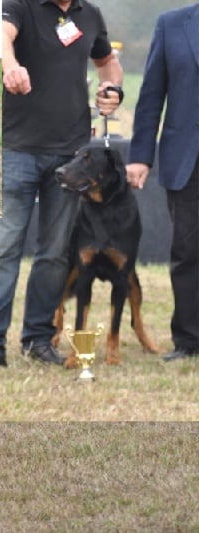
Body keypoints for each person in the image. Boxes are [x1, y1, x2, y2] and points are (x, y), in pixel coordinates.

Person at [0, 0, 123, 370]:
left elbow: (107, 62)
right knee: (4, 249)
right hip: (17, 148)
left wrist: (112, 89)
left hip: (72, 156)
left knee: (54, 253)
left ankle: (38, 340)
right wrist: (10, 65)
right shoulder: (19, 6)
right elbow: (0, 35)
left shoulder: (90, 14)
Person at [126, 4, 199, 362]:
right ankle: (189, 340)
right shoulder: (171, 24)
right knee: (187, 251)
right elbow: (152, 93)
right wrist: (140, 154)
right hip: (186, 158)